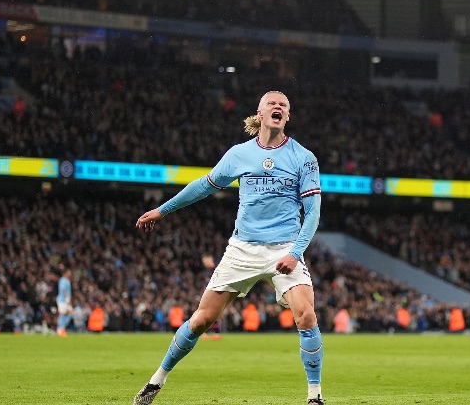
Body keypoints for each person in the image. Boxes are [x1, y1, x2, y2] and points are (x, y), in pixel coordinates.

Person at [131, 91, 325, 405]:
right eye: (272, 104)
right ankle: (157, 380)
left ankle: (315, 396)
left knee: (306, 315)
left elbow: (313, 213)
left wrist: (294, 252)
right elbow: (203, 186)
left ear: (287, 116)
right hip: (242, 248)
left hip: (285, 247)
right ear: (260, 113)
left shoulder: (304, 158)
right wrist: (162, 210)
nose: (277, 107)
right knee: (201, 320)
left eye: (283, 106)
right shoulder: (239, 154)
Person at [56, 269, 73, 336]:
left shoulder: (68, 281)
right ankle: (59, 329)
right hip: (62, 300)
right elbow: (63, 290)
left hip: (66, 300)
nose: (70, 275)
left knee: (70, 313)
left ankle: (61, 328)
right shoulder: (62, 280)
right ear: (65, 273)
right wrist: (67, 299)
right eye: (69, 273)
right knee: (62, 314)